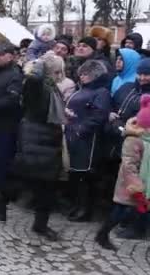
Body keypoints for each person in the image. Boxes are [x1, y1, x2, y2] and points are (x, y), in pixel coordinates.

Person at [9, 52, 68, 241]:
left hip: (49, 140)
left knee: (46, 186)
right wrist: (40, 64)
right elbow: (33, 81)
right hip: (34, 139)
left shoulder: (52, 88)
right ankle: (1, 197)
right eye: (56, 71)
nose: (59, 75)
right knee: (31, 181)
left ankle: (40, 225)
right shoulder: (36, 85)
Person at [95, 107, 150, 251]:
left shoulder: (147, 139)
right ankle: (103, 234)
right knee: (120, 211)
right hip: (130, 183)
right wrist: (137, 189)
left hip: (145, 183)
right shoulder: (133, 139)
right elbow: (129, 165)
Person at [65, 60, 111, 222]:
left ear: (95, 75)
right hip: (72, 136)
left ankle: (86, 210)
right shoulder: (81, 90)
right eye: (82, 73)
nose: (82, 76)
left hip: (87, 139)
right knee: (75, 174)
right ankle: (76, 205)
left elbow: (99, 115)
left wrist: (81, 130)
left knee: (85, 175)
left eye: (86, 74)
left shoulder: (101, 92)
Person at [0, 43, 24, 222]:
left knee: (2, 157)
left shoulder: (15, 75)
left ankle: (1, 190)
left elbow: (11, 100)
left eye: (0, 54)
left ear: (11, 56)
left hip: (7, 124)